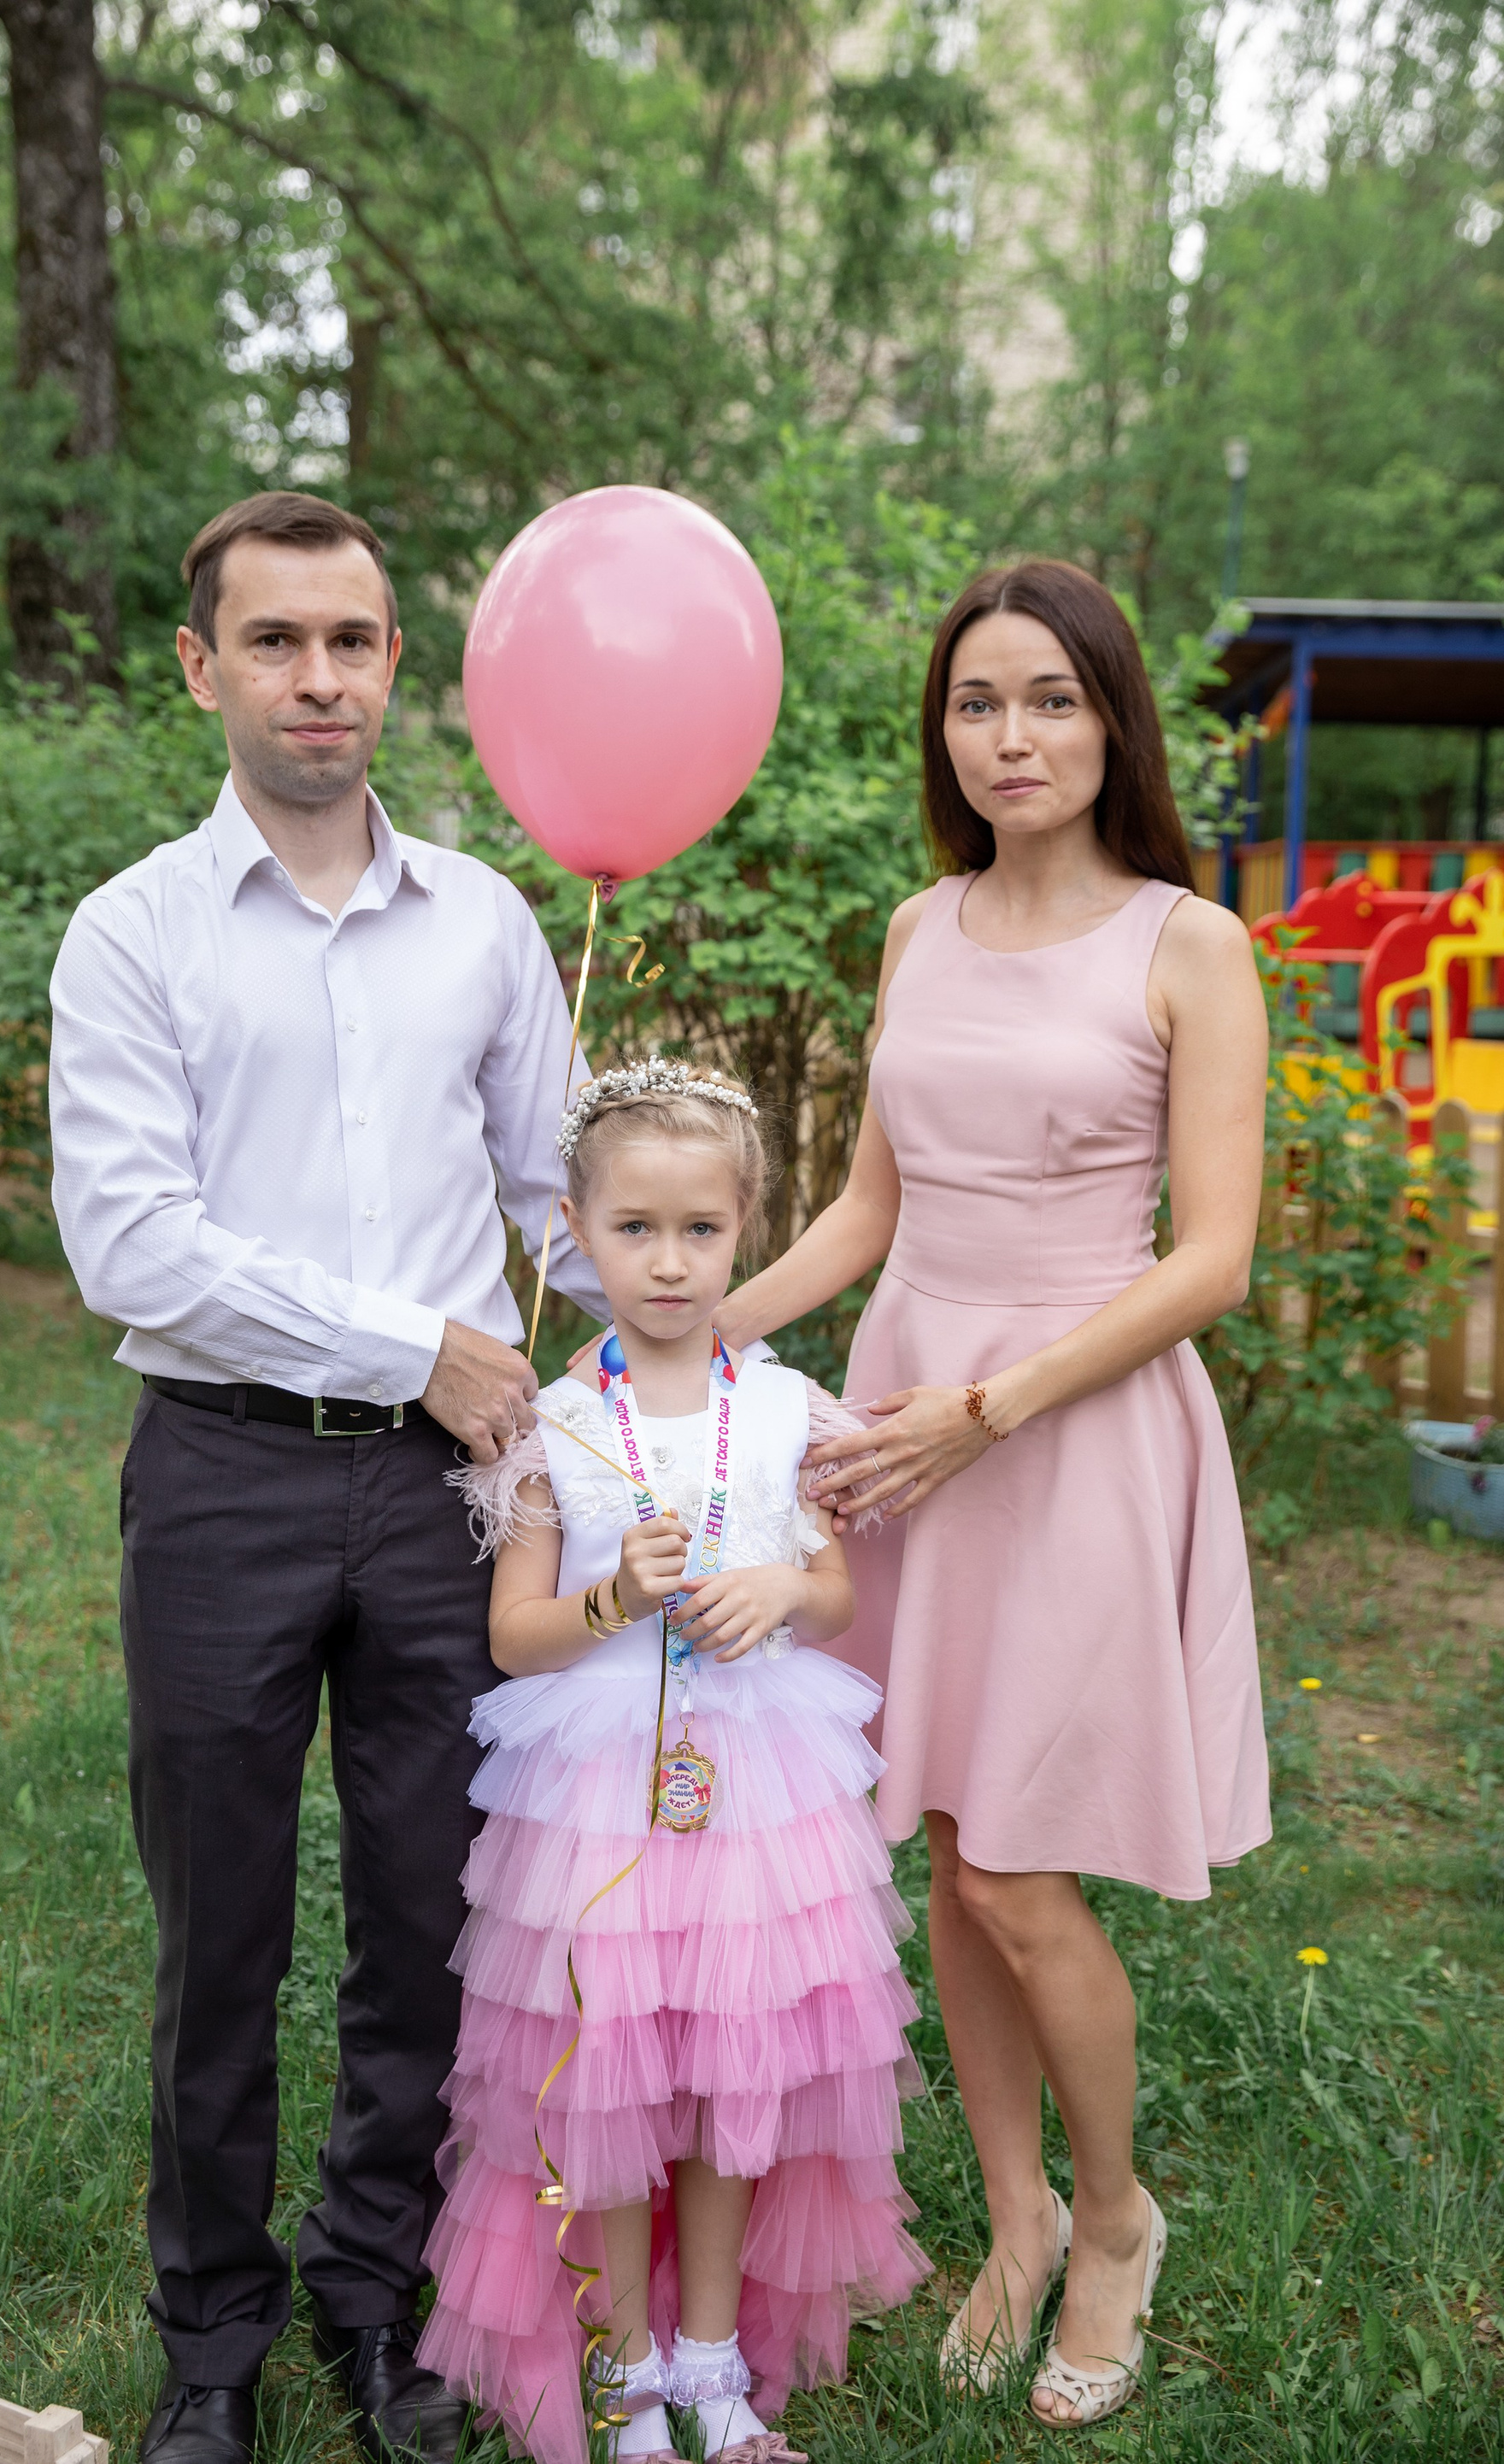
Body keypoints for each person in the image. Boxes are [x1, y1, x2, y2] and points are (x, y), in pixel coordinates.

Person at [49, 491, 608, 2464]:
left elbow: (566, 1193)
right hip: (224, 1475)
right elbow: (134, 1245)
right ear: (201, 665)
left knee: (432, 1907)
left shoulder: (487, 922)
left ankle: (378, 2293)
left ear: (394, 667)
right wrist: (415, 1345)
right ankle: (212, 2334)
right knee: (219, 1925)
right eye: (275, 640)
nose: (318, 677)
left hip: (458, 1494)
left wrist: (699, 1347)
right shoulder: (133, 931)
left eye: (351, 640)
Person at [715, 561, 1272, 2428]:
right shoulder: (920, 925)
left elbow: (1212, 1258)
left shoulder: (1188, 943)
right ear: (942, 731)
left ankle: (1116, 2220)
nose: (1011, 735)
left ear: (1112, 719)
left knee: (1022, 1870)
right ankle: (1016, 2216)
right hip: (909, 1415)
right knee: (948, 1836)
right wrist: (700, 1325)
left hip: (1071, 1421)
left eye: (1049, 698)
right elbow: (873, 1208)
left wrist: (987, 1408)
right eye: (976, 702)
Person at [415, 1059, 931, 2464]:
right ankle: (629, 2371)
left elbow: (832, 1596)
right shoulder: (557, 1424)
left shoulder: (783, 1407)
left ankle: (713, 2358)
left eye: (700, 1229)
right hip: (596, 1797)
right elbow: (516, 1635)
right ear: (573, 1231)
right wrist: (610, 1602)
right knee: (613, 2081)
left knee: (730, 2079)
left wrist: (783, 1589)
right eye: (633, 1228)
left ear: (745, 1227)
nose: (667, 1261)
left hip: (754, 1797)